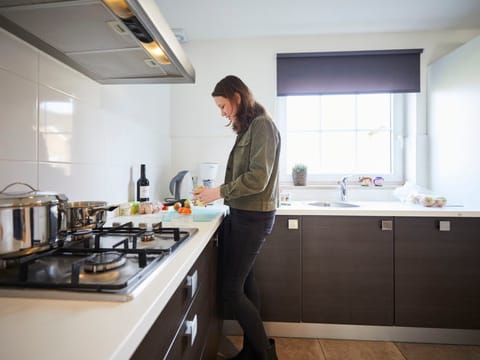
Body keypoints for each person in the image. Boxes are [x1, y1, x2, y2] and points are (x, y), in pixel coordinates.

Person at [194, 75, 281, 360]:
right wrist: (219, 193)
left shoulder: (262, 126)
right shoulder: (247, 128)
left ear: (237, 97)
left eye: (223, 105)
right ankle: (252, 352)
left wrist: (218, 191)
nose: (222, 112)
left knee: (232, 290)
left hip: (253, 218)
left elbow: (257, 178)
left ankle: (264, 354)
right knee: (245, 283)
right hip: (243, 214)